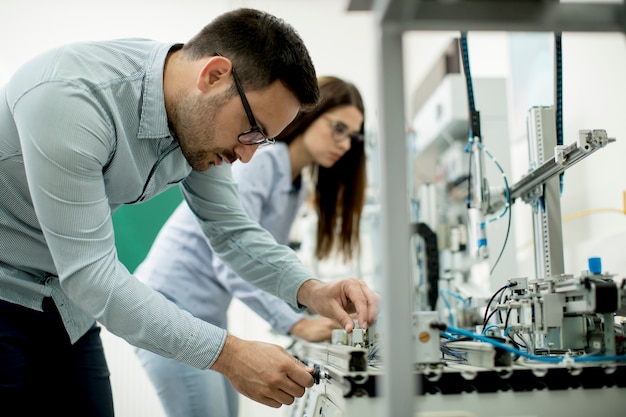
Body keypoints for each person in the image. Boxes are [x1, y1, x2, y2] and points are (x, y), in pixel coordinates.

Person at [0, 8, 378, 416]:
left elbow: (231, 232)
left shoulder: (194, 121)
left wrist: (312, 290)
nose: (247, 156)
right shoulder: (69, 99)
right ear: (214, 75)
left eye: (263, 140)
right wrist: (230, 354)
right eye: (251, 130)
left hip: (67, 308)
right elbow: (93, 276)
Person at [133, 75, 368, 417]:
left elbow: (269, 260)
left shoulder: (296, 185)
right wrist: (296, 324)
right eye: (338, 128)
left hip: (207, 319)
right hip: (169, 308)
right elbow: (232, 260)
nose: (345, 144)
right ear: (311, 115)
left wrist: (314, 302)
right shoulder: (260, 163)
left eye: (352, 136)